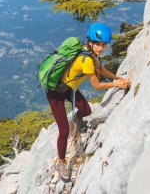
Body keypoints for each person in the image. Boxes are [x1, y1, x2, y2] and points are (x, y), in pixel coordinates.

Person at [46, 22, 130, 181]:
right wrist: (116, 84)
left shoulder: (90, 54)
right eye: (98, 44)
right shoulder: (86, 59)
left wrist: (119, 78)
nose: (100, 48)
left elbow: (101, 70)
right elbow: (97, 85)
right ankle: (61, 162)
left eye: (103, 45)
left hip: (69, 87)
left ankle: (76, 119)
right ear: (90, 42)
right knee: (64, 131)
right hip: (55, 92)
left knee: (86, 110)